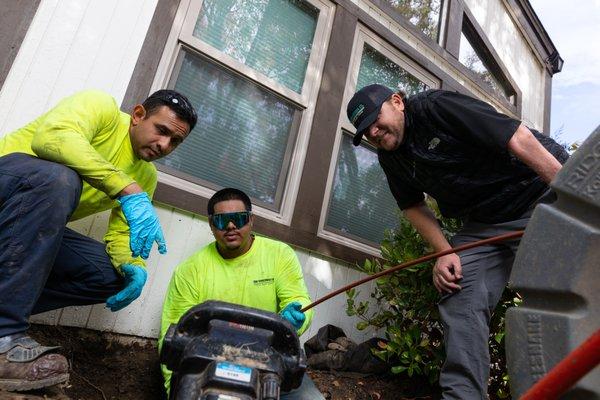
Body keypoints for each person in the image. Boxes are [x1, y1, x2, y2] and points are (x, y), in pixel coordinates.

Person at [346, 84, 569, 399]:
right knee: (459, 290)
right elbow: (412, 204)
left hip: (538, 195)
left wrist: (571, 194)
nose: (374, 130)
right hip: (486, 221)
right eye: (365, 130)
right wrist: (444, 252)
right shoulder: (390, 157)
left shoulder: (437, 108)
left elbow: (516, 136)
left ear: (397, 102)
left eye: (375, 118)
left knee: (562, 292)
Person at [0, 89, 197, 391]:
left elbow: (120, 235)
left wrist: (134, 266)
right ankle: (4, 336)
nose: (164, 145)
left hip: (22, 232)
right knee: (58, 178)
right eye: (162, 131)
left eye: (175, 141)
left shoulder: (146, 176)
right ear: (138, 114)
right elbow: (52, 137)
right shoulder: (101, 108)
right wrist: (125, 187)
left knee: (109, 275)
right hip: (8, 195)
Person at [159, 188, 324, 400]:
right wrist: (176, 390)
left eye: (239, 218)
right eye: (221, 221)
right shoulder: (189, 271)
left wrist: (298, 317)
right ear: (211, 224)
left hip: (267, 361)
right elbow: (174, 334)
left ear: (251, 220)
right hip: (208, 358)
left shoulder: (279, 255)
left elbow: (298, 299)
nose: (230, 226)